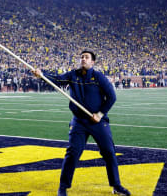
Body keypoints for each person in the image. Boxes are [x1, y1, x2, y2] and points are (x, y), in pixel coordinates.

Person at [34, 50, 130, 196]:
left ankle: (116, 185)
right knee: (72, 153)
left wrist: (100, 114)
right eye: (82, 57)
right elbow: (57, 80)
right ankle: (63, 187)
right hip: (79, 122)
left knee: (109, 152)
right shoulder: (73, 75)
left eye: (86, 57)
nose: (83, 59)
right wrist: (42, 75)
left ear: (93, 62)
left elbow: (112, 97)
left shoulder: (99, 77)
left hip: (98, 122)